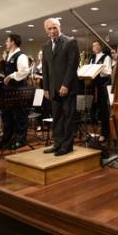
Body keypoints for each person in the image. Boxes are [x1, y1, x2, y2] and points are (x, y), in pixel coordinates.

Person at [41, 18, 80, 156]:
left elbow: (72, 65)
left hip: (67, 88)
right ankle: (58, 143)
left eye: (54, 27)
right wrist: (45, 88)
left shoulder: (70, 42)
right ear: (46, 31)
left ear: (60, 27)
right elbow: (45, 68)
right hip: (52, 88)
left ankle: (67, 146)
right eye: (49, 28)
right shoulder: (46, 46)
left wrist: (66, 84)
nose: (52, 31)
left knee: (68, 117)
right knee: (57, 117)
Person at [0, 34, 31, 150]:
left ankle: (20, 139)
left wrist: (11, 76)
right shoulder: (8, 55)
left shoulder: (21, 56)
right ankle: (7, 139)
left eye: (7, 41)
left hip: (18, 89)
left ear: (13, 42)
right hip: (8, 90)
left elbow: (24, 71)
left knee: (20, 115)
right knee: (7, 115)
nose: (6, 43)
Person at [88, 40, 112, 143]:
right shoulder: (92, 58)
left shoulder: (106, 57)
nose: (96, 47)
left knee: (103, 111)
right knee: (92, 110)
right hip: (94, 87)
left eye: (97, 45)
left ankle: (105, 133)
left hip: (102, 86)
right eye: (94, 46)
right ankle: (94, 132)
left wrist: (99, 68)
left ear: (100, 47)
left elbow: (109, 72)